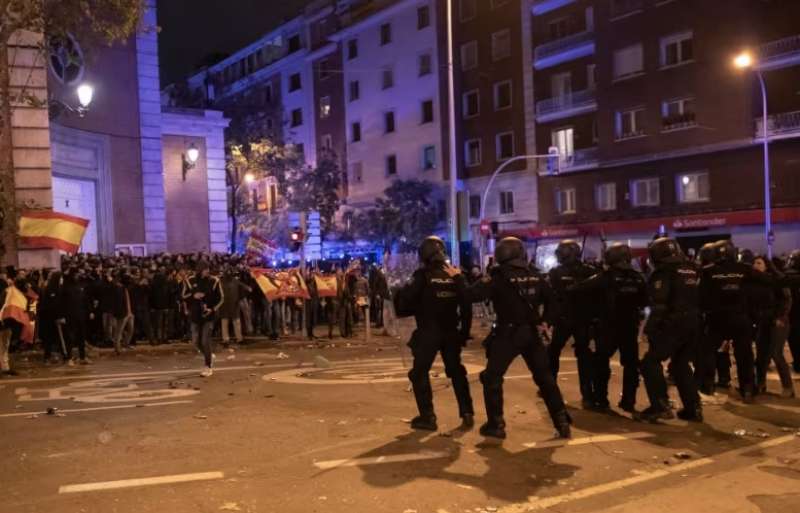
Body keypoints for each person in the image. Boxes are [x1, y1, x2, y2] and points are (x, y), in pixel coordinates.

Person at [465, 237, 571, 439]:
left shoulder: (498, 276)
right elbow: (555, 303)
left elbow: (471, 295)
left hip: (508, 334)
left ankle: (496, 424)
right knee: (545, 379)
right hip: (532, 333)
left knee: (492, 378)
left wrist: (459, 278)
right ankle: (562, 421)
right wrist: (545, 321)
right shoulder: (535, 275)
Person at [394, 236, 474, 431]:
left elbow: (405, 302)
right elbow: (467, 305)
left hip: (429, 332)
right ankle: (467, 412)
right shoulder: (455, 275)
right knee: (457, 372)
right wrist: (464, 332)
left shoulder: (422, 276)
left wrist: (398, 292)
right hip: (451, 332)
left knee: (419, 373)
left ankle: (427, 417)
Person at [573, 243, 647, 413]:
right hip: (629, 327)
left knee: (601, 363)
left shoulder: (605, 277)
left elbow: (579, 289)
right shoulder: (638, 278)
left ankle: (601, 399)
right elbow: (644, 302)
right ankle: (629, 400)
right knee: (631, 365)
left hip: (608, 326)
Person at [638, 237, 702, 422]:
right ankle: (694, 408)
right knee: (681, 365)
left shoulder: (663, 272)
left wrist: (651, 329)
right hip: (693, 322)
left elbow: (659, 305)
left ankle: (660, 406)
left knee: (650, 363)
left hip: (673, 324)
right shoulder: (692, 269)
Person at [699, 240, 759, 402]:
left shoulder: (707, 271)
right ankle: (748, 389)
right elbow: (763, 286)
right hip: (741, 318)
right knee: (744, 355)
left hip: (716, 319)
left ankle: (708, 384)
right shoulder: (745, 269)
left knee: (708, 352)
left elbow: (700, 297)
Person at [547, 240, 597, 408]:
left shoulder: (558, 272)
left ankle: (551, 386)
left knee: (557, 351)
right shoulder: (589, 271)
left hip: (570, 318)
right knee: (578, 354)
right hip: (577, 318)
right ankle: (587, 394)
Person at [751, 256, 795, 397]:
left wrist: (780, 316)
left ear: (766, 266)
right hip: (763, 321)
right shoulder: (755, 282)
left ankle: (788, 387)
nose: (755, 265)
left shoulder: (777, 280)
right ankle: (761, 384)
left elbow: (787, 299)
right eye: (754, 263)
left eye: (759, 263)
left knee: (776, 353)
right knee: (761, 355)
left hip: (778, 322)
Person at [182, 262, 224, 377]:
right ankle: (208, 354)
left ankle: (208, 366)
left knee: (205, 340)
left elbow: (221, 298)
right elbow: (183, 296)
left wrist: (213, 309)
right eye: (205, 269)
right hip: (195, 315)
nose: (207, 271)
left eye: (208, 269)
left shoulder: (214, 281)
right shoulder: (190, 280)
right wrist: (193, 295)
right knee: (196, 341)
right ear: (199, 270)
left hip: (208, 316)